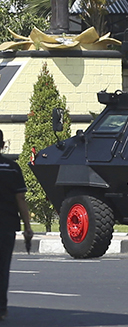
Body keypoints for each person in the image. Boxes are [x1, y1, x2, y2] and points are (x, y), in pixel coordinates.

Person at [0, 129, 33, 321]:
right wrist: (27, 226)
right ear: (3, 144)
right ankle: (1, 308)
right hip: (6, 224)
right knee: (3, 267)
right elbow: (20, 197)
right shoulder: (11, 167)